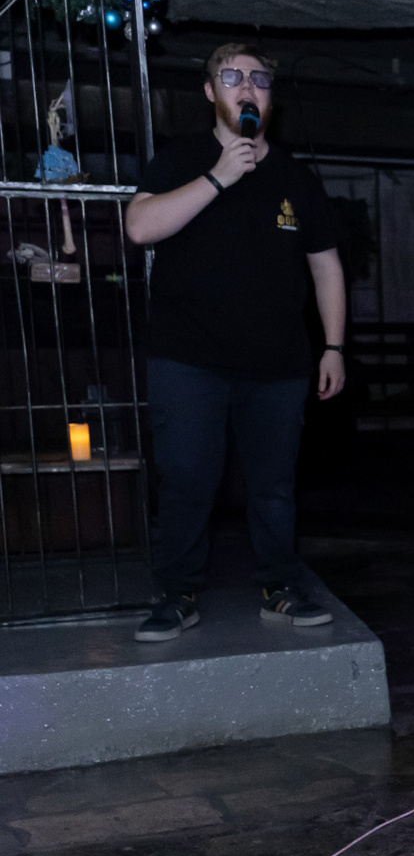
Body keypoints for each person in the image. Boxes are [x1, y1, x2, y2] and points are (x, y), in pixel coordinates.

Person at [126, 43, 346, 642]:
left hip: (278, 363)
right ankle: (176, 595)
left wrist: (333, 347)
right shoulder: (181, 159)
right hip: (188, 358)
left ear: (270, 96)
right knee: (186, 479)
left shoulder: (295, 177)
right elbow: (140, 227)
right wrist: (218, 177)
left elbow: (326, 265)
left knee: (274, 486)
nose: (247, 87)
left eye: (258, 79)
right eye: (231, 77)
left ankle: (280, 587)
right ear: (210, 91)